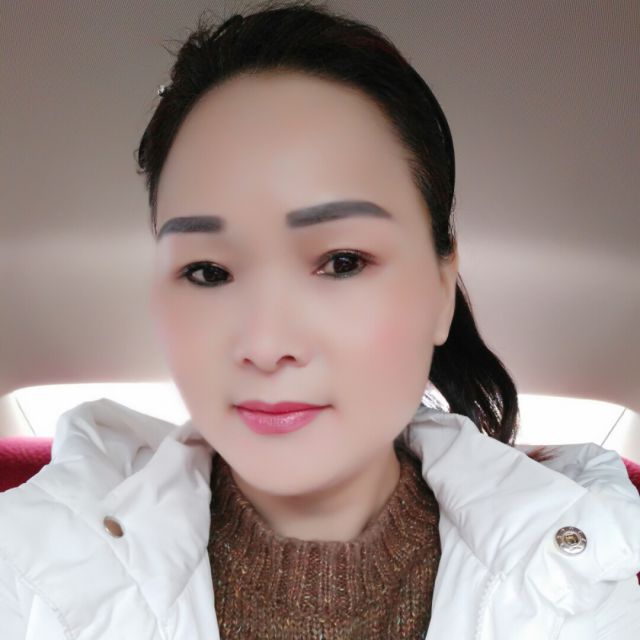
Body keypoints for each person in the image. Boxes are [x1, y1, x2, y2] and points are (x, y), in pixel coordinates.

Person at [1, 1, 639, 638]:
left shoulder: (583, 591)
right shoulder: (30, 580)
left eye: (341, 262)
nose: (266, 343)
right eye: (209, 271)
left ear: (443, 290)